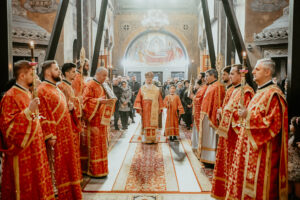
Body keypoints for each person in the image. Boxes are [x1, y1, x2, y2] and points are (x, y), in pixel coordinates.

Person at [227, 58, 288, 199]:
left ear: (267, 72)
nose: (252, 71)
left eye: (257, 69)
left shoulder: (274, 94)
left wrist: (248, 115)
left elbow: (273, 124)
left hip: (262, 155)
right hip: (248, 151)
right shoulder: (259, 92)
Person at [0, 60, 55, 200]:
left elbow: (36, 118)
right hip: (22, 151)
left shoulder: (29, 93)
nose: (34, 77)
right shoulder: (10, 96)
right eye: (31, 74)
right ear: (22, 76)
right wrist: (28, 111)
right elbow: (7, 128)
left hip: (36, 148)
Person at [37, 60, 82, 199]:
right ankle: (55, 187)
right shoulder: (42, 89)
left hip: (65, 134)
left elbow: (62, 110)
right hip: (55, 136)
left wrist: (71, 109)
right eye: (56, 69)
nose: (59, 72)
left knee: (66, 165)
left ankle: (68, 188)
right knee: (55, 164)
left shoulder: (56, 88)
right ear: (48, 72)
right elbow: (43, 113)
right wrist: (50, 134)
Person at [211, 64, 254, 199]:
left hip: (235, 136)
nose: (230, 76)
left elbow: (242, 116)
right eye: (229, 74)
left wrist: (225, 112)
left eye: (232, 73)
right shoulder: (234, 90)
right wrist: (221, 112)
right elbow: (228, 108)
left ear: (241, 74)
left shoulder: (246, 91)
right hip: (227, 135)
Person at [82, 67, 115, 177]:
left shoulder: (103, 85)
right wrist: (98, 101)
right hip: (94, 121)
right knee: (94, 146)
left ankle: (102, 168)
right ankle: (94, 170)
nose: (105, 78)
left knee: (102, 146)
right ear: (98, 74)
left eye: (106, 75)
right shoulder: (90, 85)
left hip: (102, 121)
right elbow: (85, 101)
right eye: (104, 75)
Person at [57, 62, 82, 177]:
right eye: (73, 71)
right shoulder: (61, 86)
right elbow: (62, 105)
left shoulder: (69, 85)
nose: (75, 73)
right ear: (66, 73)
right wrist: (76, 102)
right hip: (67, 123)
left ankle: (75, 173)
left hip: (73, 121)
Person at [197, 69, 225, 166]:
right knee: (206, 138)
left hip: (211, 116)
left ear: (213, 76)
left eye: (207, 76)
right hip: (205, 114)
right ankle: (205, 158)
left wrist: (213, 117)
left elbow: (218, 103)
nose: (205, 78)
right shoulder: (210, 86)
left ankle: (212, 160)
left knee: (211, 138)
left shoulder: (218, 86)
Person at [134, 71, 163, 143]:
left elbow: (160, 99)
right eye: (148, 79)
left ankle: (153, 139)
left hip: (154, 108)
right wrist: (139, 108)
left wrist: (160, 108)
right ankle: (146, 139)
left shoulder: (156, 89)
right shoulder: (142, 88)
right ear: (145, 79)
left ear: (152, 79)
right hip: (145, 109)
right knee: (146, 123)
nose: (149, 80)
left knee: (153, 124)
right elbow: (138, 99)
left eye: (150, 79)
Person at [191, 78, 208, 151]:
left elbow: (199, 99)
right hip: (197, 112)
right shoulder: (201, 88)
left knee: (198, 130)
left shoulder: (203, 88)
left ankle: (197, 146)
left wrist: (193, 97)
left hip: (200, 112)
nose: (195, 85)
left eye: (195, 84)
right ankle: (195, 145)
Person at [288, 117, 300, 199]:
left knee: (297, 191)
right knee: (288, 190)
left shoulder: (298, 139)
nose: (289, 126)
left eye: (291, 124)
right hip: (289, 167)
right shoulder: (290, 136)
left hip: (297, 168)